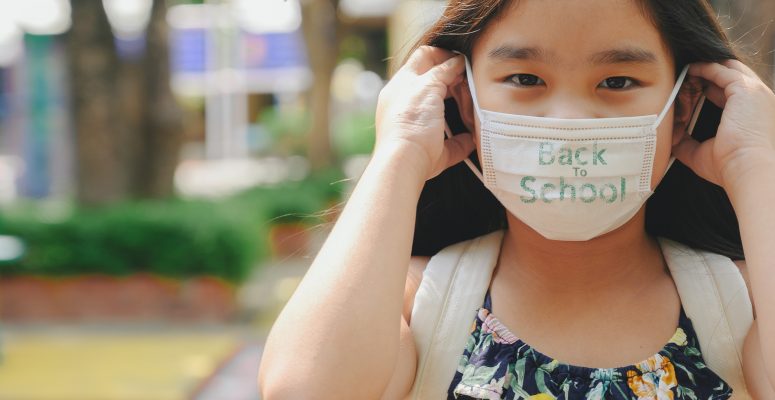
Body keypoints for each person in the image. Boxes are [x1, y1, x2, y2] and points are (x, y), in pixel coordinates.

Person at [258, 0, 775, 398]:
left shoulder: (743, 308)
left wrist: (754, 164)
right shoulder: (418, 306)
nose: (567, 122)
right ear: (463, 100)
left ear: (682, 110)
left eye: (618, 81)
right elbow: (302, 388)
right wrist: (398, 154)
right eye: (525, 79)